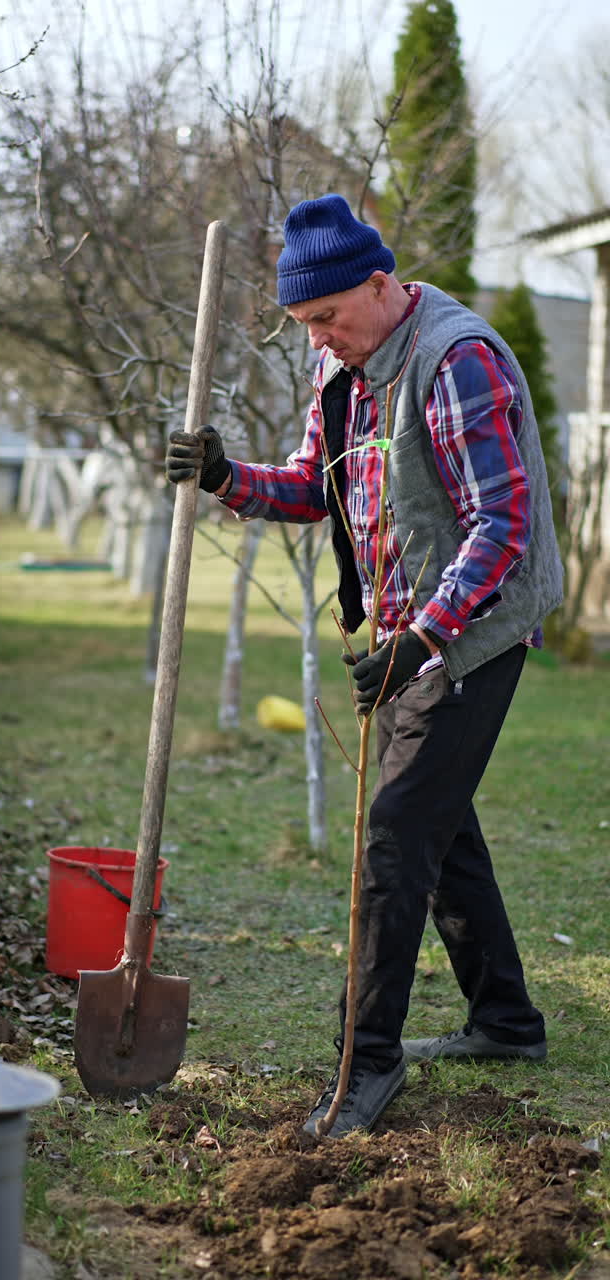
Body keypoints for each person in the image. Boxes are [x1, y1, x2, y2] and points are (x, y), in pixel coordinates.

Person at [165, 194, 563, 1138]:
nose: (320, 341)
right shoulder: (343, 371)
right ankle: (507, 1021)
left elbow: (500, 526)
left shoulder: (453, 360)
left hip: (474, 631)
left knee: (394, 835)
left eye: (330, 319)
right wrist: (227, 476)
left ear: (382, 284)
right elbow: (316, 485)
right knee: (438, 827)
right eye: (305, 326)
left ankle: (365, 1063)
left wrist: (423, 640)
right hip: (404, 634)